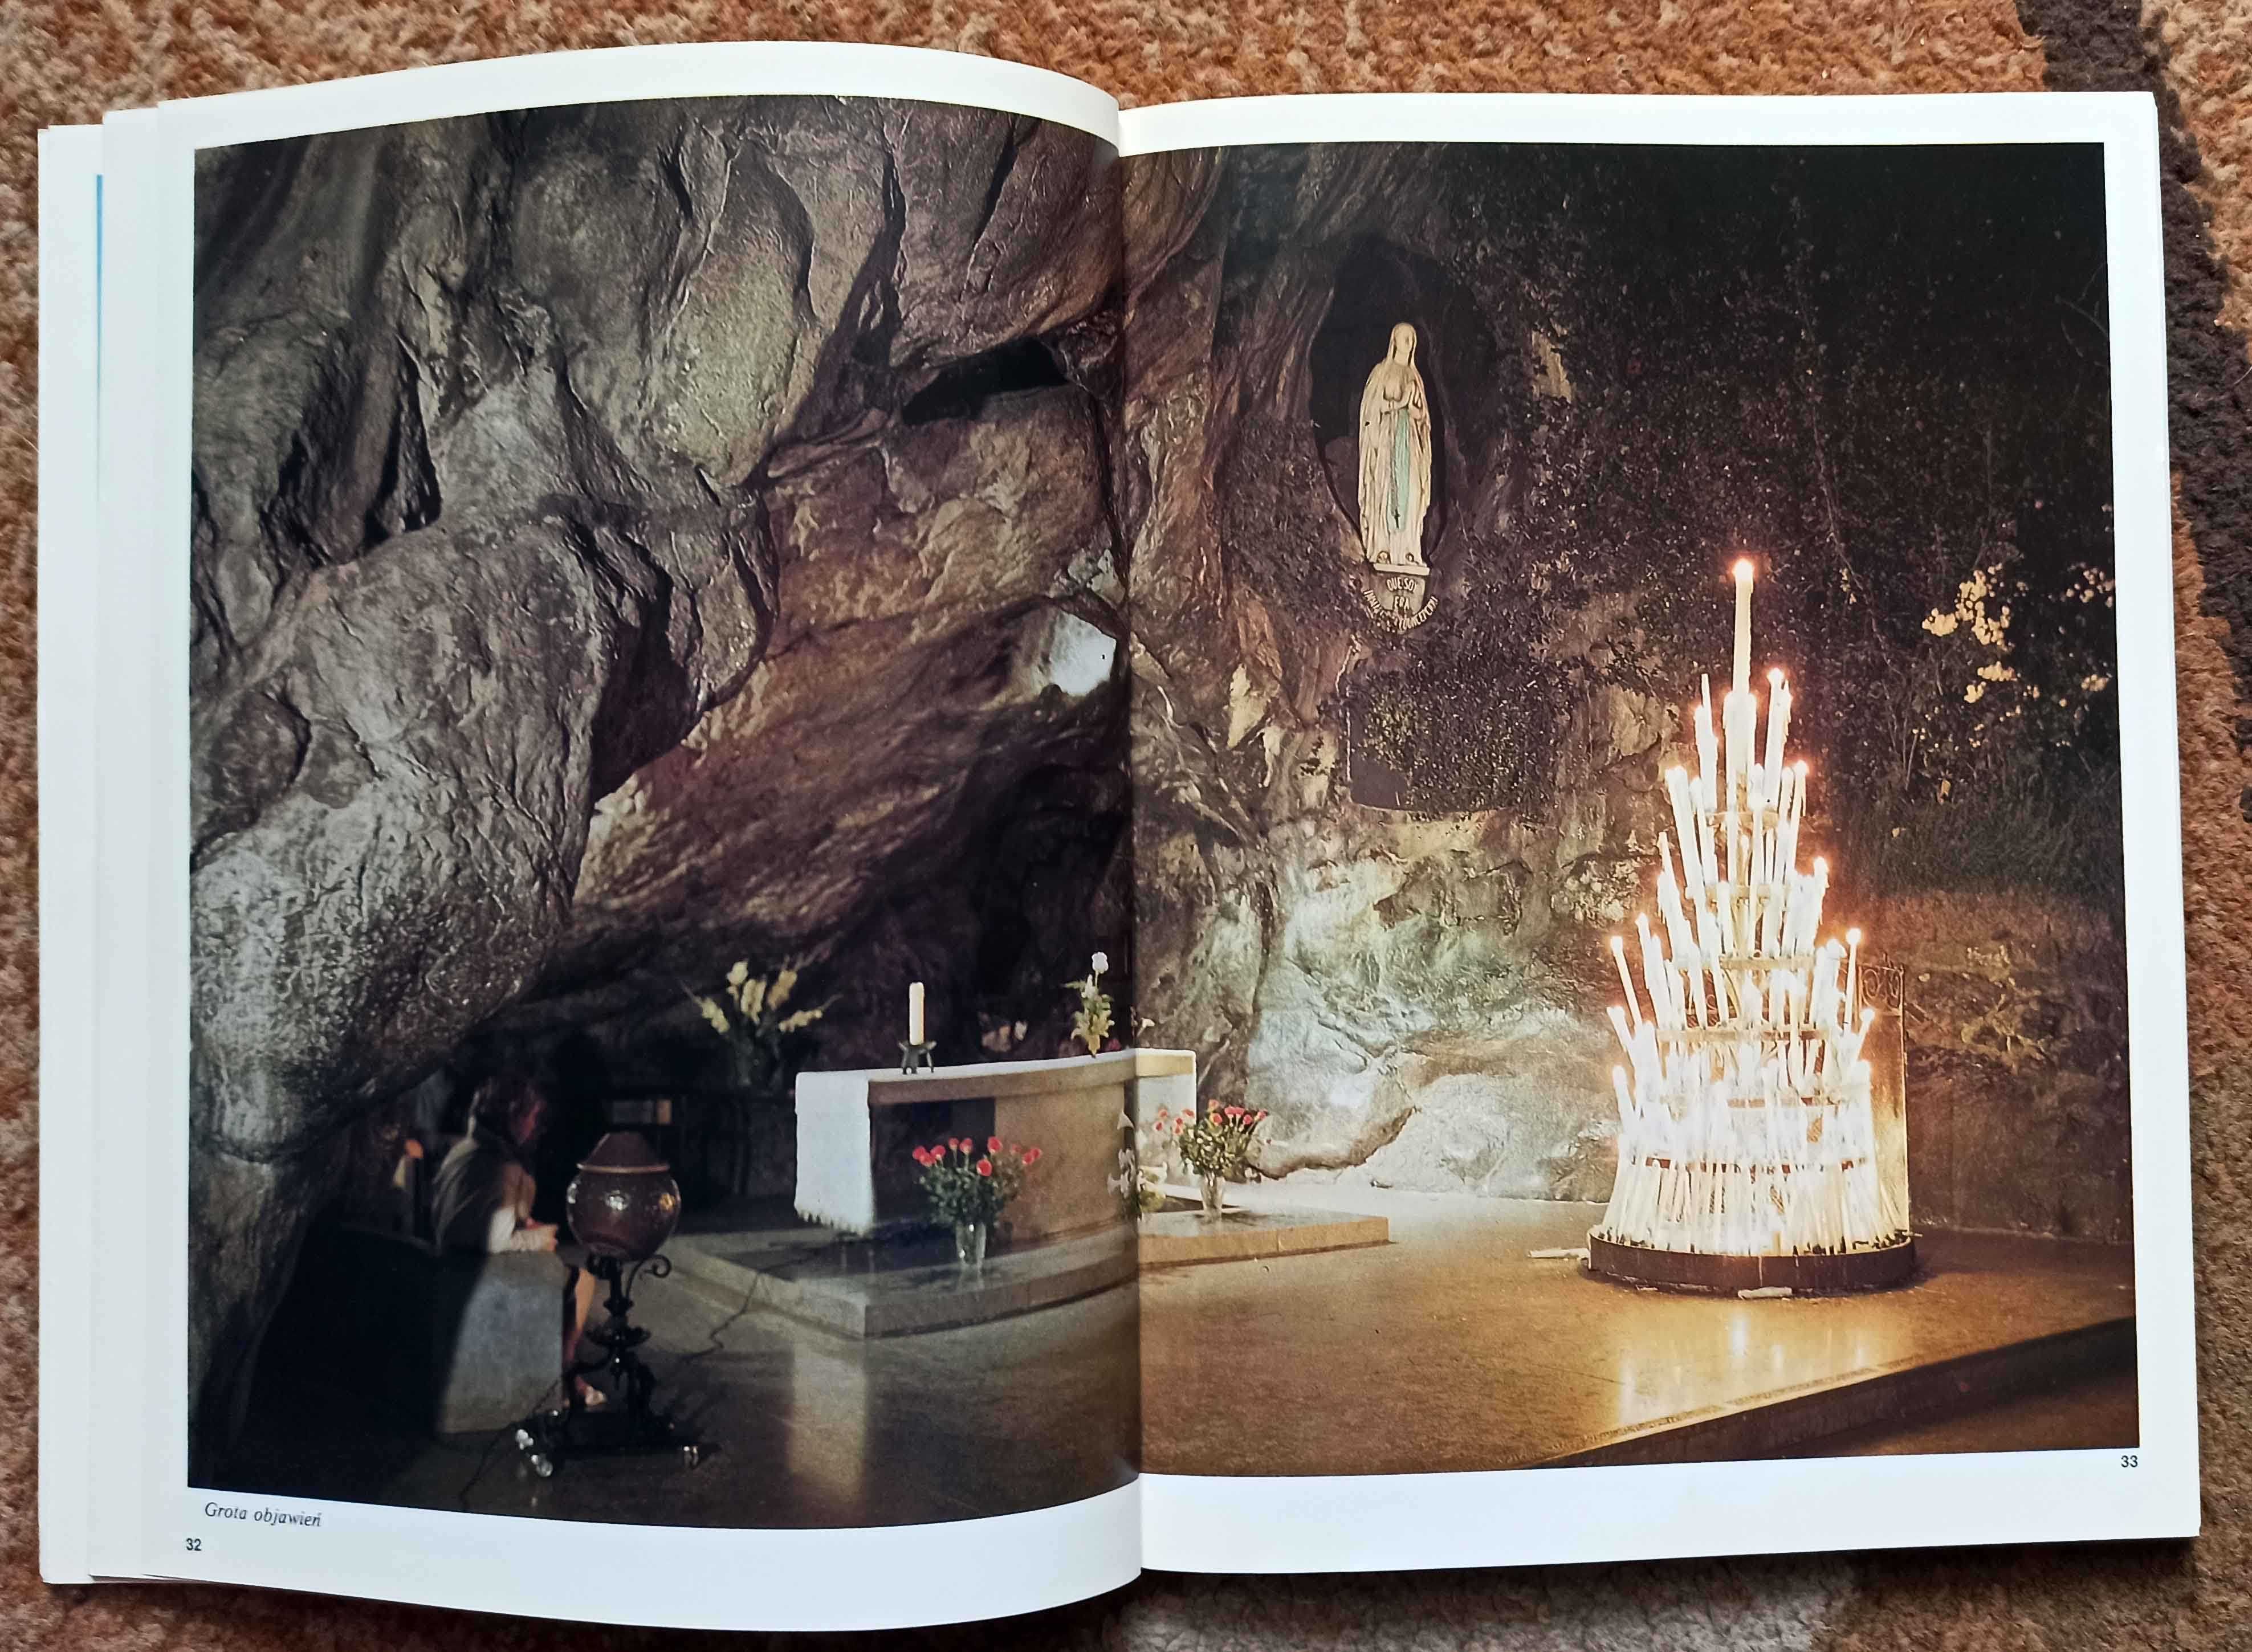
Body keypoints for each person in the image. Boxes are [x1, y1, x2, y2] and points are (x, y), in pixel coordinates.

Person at [430, 1074, 604, 1406]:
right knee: (581, 1281)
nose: (536, 1126)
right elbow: (494, 1238)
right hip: (481, 1272)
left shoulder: (463, 1152)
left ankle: (566, 1372)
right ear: (512, 1116)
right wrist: (539, 1238)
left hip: (452, 1262)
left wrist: (524, 1225)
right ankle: (566, 1372)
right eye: (533, 1117)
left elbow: (470, 1216)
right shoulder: (501, 1165)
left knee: (561, 1274)